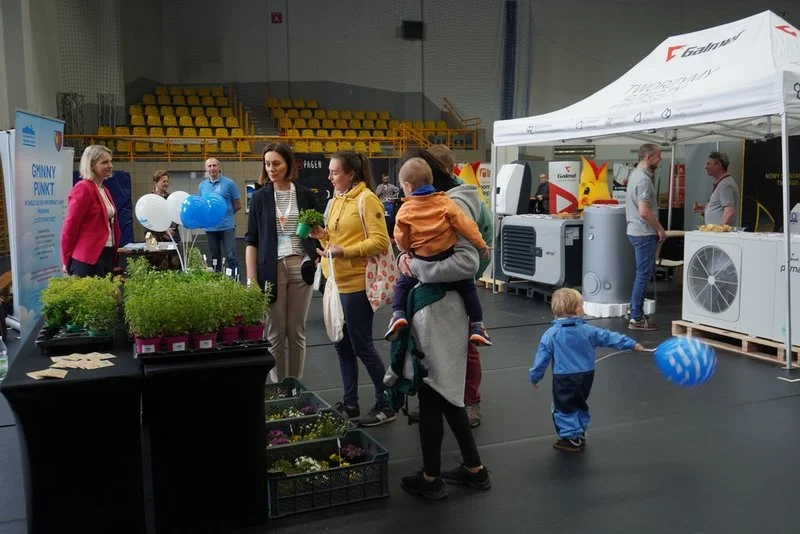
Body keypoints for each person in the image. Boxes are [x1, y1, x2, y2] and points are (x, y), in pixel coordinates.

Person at [402, 144, 492, 427]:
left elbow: (469, 261)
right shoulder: (432, 200)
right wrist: (405, 258)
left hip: (454, 283)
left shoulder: (455, 202)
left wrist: (417, 269)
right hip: (438, 283)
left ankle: (469, 402)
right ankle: (438, 400)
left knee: (465, 344)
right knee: (432, 345)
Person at [309, 151, 396, 427]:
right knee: (342, 346)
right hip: (336, 283)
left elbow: (381, 241)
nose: (330, 176)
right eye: (330, 171)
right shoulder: (336, 200)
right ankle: (350, 404)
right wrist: (323, 236)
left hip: (357, 284)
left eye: (335, 172)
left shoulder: (367, 199)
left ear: (351, 175)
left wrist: (343, 251)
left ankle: (387, 403)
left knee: (362, 346)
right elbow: (337, 234)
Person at [386, 157, 491, 346]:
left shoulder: (405, 210)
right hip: (445, 252)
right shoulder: (445, 202)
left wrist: (406, 251)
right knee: (468, 286)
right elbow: (466, 225)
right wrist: (481, 244)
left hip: (421, 256)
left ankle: (398, 313)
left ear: (408, 186)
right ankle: (478, 325)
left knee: (404, 282)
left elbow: (401, 236)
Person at [529, 288, 643, 452]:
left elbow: (541, 359)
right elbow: (610, 337)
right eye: (582, 305)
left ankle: (571, 438)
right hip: (586, 376)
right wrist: (631, 344)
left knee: (563, 407)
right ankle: (580, 431)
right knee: (579, 402)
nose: (583, 308)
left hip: (564, 379)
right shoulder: (589, 331)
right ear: (577, 310)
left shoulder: (551, 334)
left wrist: (535, 377)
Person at [246, 142, 320, 381]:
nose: (271, 168)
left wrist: (317, 240)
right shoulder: (258, 197)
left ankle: (295, 386)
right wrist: (251, 279)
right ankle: (278, 389)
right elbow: (252, 240)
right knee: (275, 334)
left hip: (301, 267)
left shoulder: (306, 195)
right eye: (267, 164)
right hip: (271, 269)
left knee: (296, 332)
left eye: (276, 163)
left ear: (289, 164)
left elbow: (319, 232)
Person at [60, 145, 121, 277]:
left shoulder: (104, 190)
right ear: (92, 165)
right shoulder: (83, 188)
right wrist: (66, 259)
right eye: (105, 162)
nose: (110, 165)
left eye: (110, 161)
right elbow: (70, 226)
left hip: (107, 253)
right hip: (89, 257)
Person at [625, 143, 666, 331]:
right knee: (643, 275)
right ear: (648, 157)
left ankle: (635, 310)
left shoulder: (635, 175)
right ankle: (636, 318)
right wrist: (659, 229)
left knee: (641, 274)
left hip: (635, 231)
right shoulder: (643, 180)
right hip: (644, 232)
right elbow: (644, 211)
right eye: (658, 156)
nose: (661, 159)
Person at [199, 158, 241, 275]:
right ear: (206, 168)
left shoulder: (229, 184)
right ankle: (218, 284)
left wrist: (224, 216)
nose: (212, 168)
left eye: (214, 165)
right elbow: (202, 206)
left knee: (231, 257)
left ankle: (235, 282)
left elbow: (237, 205)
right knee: (215, 258)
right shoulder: (202, 186)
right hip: (210, 228)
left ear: (219, 167)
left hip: (227, 227)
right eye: (209, 166)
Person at [693, 151, 739, 227]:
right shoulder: (723, 183)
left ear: (718, 165)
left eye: (708, 164)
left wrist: (720, 231)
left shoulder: (725, 185)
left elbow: (729, 211)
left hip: (720, 236)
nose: (705, 167)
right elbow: (722, 208)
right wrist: (706, 209)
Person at [151, 170, 179, 242]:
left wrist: (171, 230)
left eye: (167, 181)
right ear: (155, 183)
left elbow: (176, 217)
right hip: (155, 239)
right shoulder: (148, 199)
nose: (166, 184)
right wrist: (164, 232)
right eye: (163, 181)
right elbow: (148, 221)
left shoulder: (171, 198)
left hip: (172, 237)